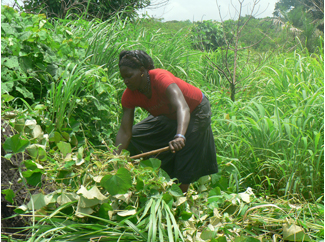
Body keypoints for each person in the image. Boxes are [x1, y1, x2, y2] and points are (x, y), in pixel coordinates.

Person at [115, 50, 218, 193]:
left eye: (129, 76)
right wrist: (115, 157)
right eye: (123, 78)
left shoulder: (160, 78)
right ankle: (140, 177)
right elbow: (125, 132)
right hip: (169, 115)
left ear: (142, 71)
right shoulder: (129, 95)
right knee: (136, 135)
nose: (126, 81)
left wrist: (180, 136)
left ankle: (180, 197)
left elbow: (183, 107)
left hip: (196, 110)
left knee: (184, 151)